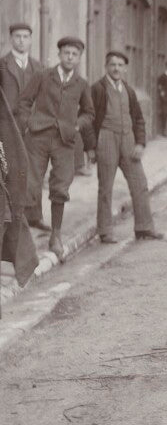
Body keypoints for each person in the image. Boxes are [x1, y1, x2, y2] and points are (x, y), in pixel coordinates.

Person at [15, 37, 95, 262]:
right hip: (38, 137)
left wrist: (77, 125)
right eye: (66, 53)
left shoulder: (81, 84)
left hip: (64, 141)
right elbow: (23, 102)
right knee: (29, 185)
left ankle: (56, 236)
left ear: (79, 58)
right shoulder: (43, 75)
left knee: (60, 186)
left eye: (74, 54)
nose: (70, 57)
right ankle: (21, 244)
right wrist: (27, 124)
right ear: (59, 54)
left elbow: (89, 112)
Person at [86, 51, 163, 243]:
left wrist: (140, 143)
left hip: (128, 140)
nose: (116, 68)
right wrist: (91, 147)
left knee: (140, 184)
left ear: (125, 68)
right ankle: (105, 231)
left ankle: (144, 227)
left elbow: (138, 119)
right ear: (106, 67)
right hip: (106, 138)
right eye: (113, 64)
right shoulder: (97, 89)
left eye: (120, 65)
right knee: (106, 187)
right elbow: (88, 118)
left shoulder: (128, 90)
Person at [0, 23, 48, 230]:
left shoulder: (39, 67)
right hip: (9, 125)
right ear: (11, 39)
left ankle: (35, 216)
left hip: (33, 126)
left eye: (25, 36)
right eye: (17, 36)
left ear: (31, 39)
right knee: (11, 169)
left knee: (35, 169)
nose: (21, 40)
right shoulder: (2, 65)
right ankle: (13, 219)